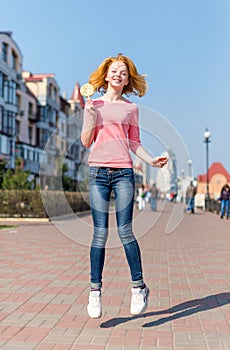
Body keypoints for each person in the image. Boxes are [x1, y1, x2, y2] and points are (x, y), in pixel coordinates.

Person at [81, 53, 168, 319]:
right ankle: (95, 292)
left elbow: (134, 143)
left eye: (124, 73)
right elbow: (87, 142)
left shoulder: (131, 109)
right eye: (115, 71)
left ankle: (138, 287)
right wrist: (88, 115)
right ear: (106, 75)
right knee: (99, 234)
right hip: (97, 173)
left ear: (128, 80)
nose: (119, 74)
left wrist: (151, 161)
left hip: (124, 173)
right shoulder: (93, 104)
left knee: (125, 231)